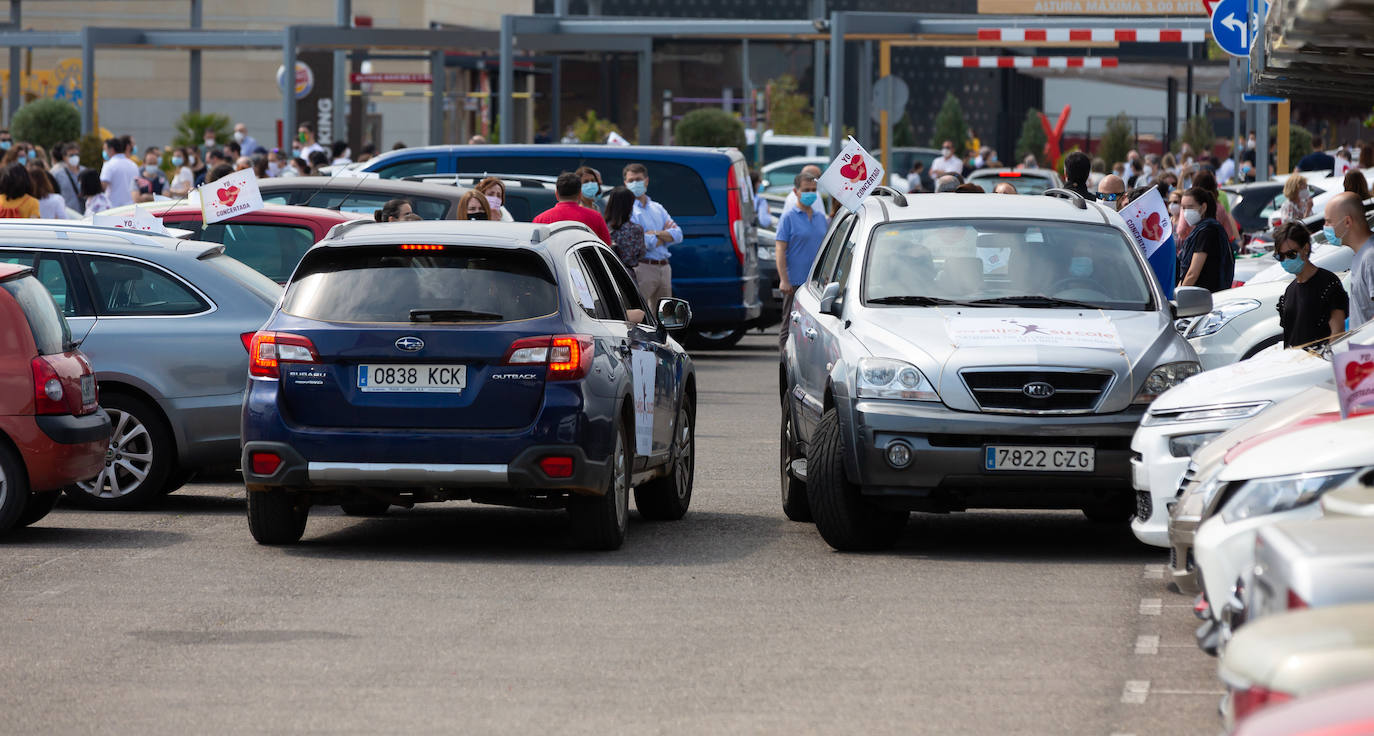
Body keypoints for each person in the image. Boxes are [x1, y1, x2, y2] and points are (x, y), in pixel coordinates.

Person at [1271, 222, 1348, 347]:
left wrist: (1322, 362)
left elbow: (1337, 332)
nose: (1286, 260)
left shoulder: (1328, 283)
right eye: (1280, 256)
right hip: (1297, 363)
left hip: (1320, 362)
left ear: (1305, 248)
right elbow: (1289, 337)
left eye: (1291, 254)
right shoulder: (1289, 291)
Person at [774, 172, 828, 348]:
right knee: (789, 325)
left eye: (813, 190)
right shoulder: (788, 218)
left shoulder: (822, 219)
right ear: (796, 191)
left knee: (816, 327)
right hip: (794, 283)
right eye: (806, 190)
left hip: (818, 284)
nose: (810, 193)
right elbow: (780, 249)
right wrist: (784, 279)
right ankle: (785, 363)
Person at [623, 163, 680, 302]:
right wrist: (665, 235)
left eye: (638, 179)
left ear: (646, 181)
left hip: (664, 268)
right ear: (625, 183)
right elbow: (642, 242)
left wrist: (654, 232)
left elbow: (678, 234)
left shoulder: (657, 208)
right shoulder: (627, 210)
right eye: (631, 181)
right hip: (643, 268)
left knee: (664, 317)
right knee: (641, 314)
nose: (635, 183)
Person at [1325, 192, 1374, 327]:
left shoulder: (1370, 257)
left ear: (1347, 222)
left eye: (1329, 221)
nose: (1325, 227)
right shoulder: (1361, 254)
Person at [533, 171, 613, 246]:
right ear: (579, 194)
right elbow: (607, 246)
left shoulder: (539, 220)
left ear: (556, 194)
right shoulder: (596, 217)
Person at [1179, 187, 1234, 293]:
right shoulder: (1200, 230)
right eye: (1183, 208)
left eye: (1190, 207)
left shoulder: (1207, 231)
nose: (1186, 212)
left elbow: (1192, 273)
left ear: (1203, 207)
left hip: (1205, 297)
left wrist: (1179, 297)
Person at [604, 186, 646, 274]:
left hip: (606, 276)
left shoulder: (603, 226)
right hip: (626, 277)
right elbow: (641, 254)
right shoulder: (635, 229)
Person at [98, 136, 139, 208]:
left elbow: (102, 187)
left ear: (111, 150)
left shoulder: (109, 165)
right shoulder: (134, 165)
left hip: (113, 209)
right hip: (131, 209)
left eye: (105, 149)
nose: (104, 152)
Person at [50, 142, 84, 212]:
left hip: (86, 214)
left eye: (76, 155)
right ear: (64, 157)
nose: (75, 157)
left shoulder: (85, 172)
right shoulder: (58, 175)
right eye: (71, 155)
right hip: (68, 215)